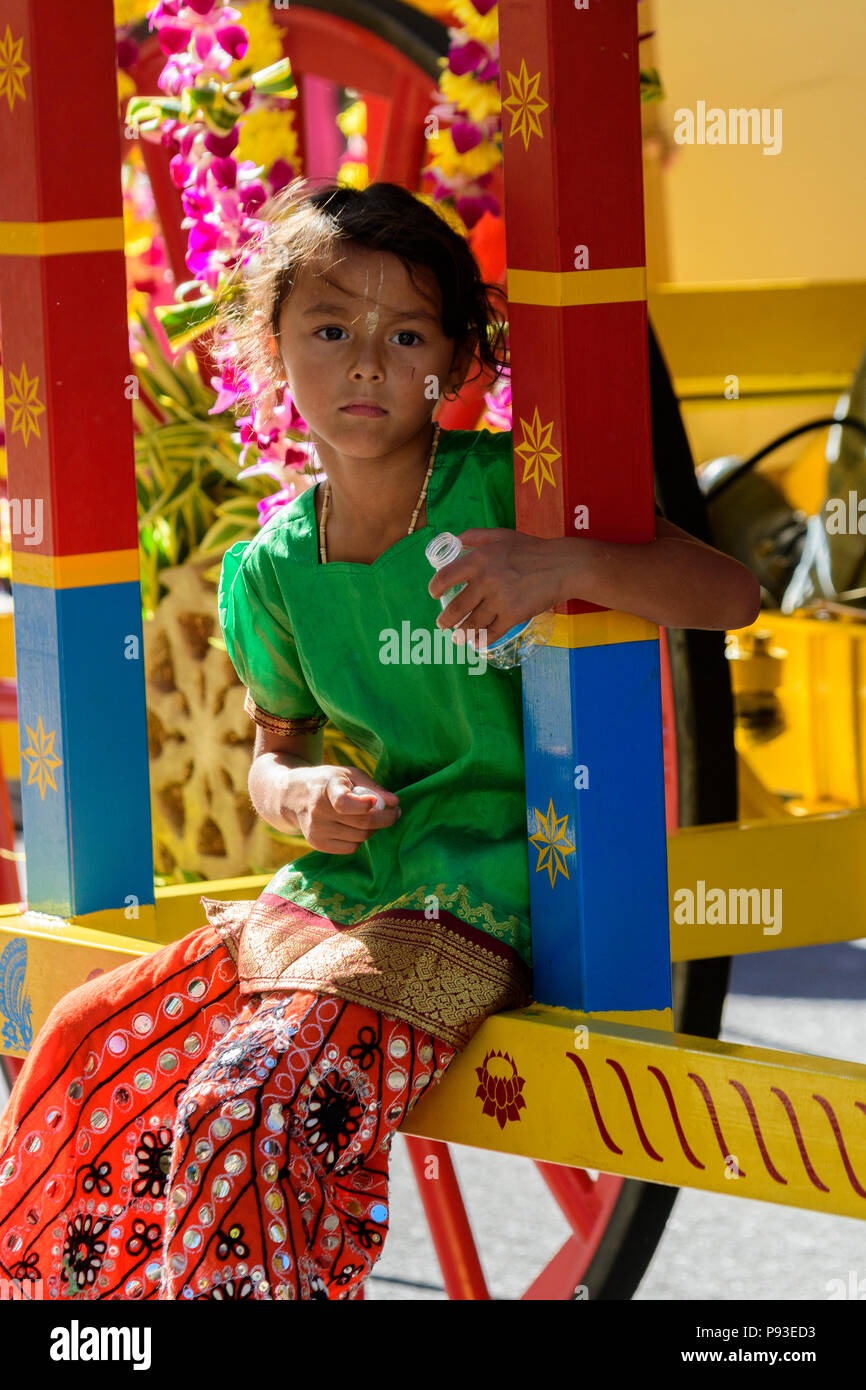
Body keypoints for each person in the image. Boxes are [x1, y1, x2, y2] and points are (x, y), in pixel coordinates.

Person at [0, 180, 760, 1303]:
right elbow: (269, 755)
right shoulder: (272, 571)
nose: (366, 363)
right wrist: (298, 792)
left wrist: (566, 564)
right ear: (272, 347)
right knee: (84, 1050)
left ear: (452, 367)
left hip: (483, 893)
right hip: (344, 887)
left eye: (405, 335)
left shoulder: (509, 490)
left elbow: (730, 592)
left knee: (249, 1099)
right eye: (329, 329)